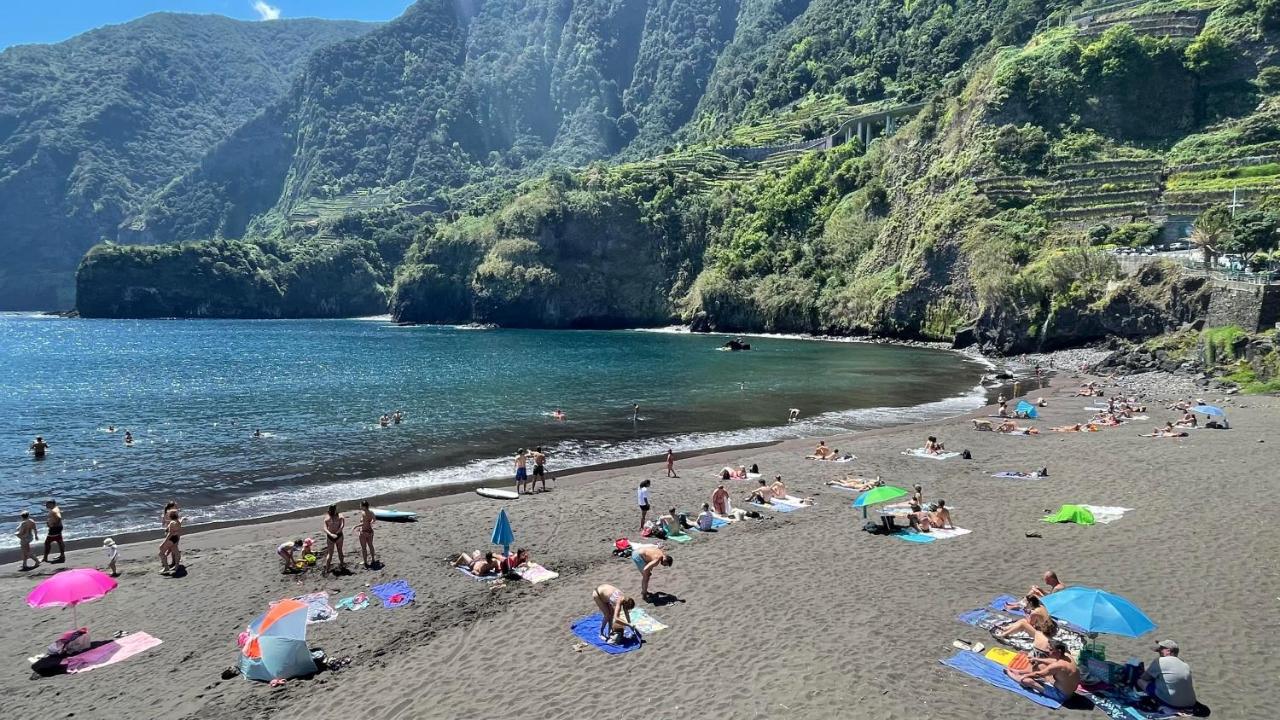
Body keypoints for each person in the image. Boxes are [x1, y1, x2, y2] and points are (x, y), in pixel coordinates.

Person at [1005, 640, 1079, 702]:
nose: (1048, 651)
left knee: (1026, 680)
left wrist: (1025, 676)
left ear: (1058, 651)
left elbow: (1038, 674)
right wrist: (1037, 659)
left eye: (1050, 650)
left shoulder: (1058, 665)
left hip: (1060, 694)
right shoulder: (1067, 655)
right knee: (1041, 666)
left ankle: (1009, 673)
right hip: (1068, 689)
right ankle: (1019, 672)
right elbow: (1054, 661)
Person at [1137, 640, 1197, 709]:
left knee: (1140, 681)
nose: (1159, 651)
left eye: (1161, 649)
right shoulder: (1185, 664)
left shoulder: (1160, 661)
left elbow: (1144, 678)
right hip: (1191, 703)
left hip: (1172, 703)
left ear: (1168, 651)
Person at [321, 504, 347, 575]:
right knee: (340, 551)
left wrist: (330, 534)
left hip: (331, 537)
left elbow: (325, 528)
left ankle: (327, 569)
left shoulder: (327, 518)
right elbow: (342, 525)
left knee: (330, 553)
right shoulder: (340, 516)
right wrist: (338, 532)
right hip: (338, 536)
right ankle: (342, 565)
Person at [159, 509, 182, 574]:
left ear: (170, 516)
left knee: (161, 552)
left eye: (168, 514)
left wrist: (164, 543)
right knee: (176, 552)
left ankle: (166, 568)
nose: (167, 515)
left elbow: (170, 534)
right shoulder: (177, 521)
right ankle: (176, 566)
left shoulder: (172, 523)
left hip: (171, 538)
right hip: (176, 538)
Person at [358, 500, 377, 568]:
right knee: (371, 545)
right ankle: (373, 559)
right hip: (370, 531)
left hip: (363, 532)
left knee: (364, 548)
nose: (360, 506)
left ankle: (365, 561)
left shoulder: (363, 513)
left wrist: (357, 526)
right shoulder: (371, 512)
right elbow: (374, 519)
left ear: (364, 506)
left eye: (361, 505)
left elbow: (363, 523)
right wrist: (371, 522)